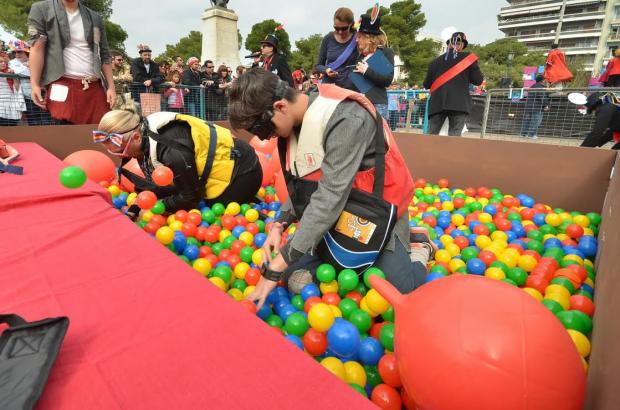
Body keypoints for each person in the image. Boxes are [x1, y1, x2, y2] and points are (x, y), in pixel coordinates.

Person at [228, 69, 431, 308]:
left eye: (261, 130)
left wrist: (276, 266)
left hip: (378, 211)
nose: (264, 137)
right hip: (339, 215)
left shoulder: (346, 118)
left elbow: (330, 195)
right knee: (295, 280)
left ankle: (418, 245)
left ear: (280, 107)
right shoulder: (293, 126)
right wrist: (278, 225)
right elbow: (303, 188)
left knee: (401, 292)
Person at [93, 109, 263, 214]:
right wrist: (139, 204)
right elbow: (165, 186)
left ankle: (247, 197)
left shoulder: (171, 152)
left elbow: (190, 198)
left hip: (243, 172)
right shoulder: (145, 133)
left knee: (208, 205)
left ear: (137, 137)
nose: (121, 156)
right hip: (222, 164)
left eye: (121, 151)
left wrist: (156, 208)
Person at [27, 0, 115, 124]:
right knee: (63, 133)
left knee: (100, 133)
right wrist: (34, 84)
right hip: (61, 82)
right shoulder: (41, 9)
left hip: (94, 86)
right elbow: (37, 47)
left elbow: (105, 55)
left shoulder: (95, 17)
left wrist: (111, 87)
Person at [423, 32, 484, 136]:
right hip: (459, 104)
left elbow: (426, 84)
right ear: (462, 45)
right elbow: (478, 80)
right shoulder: (469, 59)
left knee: (431, 137)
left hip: (437, 103)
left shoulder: (435, 62)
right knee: (454, 138)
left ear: (449, 44)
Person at [351, 13, 395, 119]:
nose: (356, 40)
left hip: (378, 104)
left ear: (368, 38)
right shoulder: (360, 56)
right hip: (359, 104)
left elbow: (387, 80)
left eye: (359, 37)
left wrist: (367, 71)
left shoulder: (386, 52)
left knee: (379, 135)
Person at [315, 7, 358, 90]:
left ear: (351, 24)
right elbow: (318, 65)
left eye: (344, 28)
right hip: (330, 87)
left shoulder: (357, 38)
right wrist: (326, 70)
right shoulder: (328, 39)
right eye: (336, 28)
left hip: (351, 89)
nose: (340, 32)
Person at [8, 40, 50, 125]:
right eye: (15, 52)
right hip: (25, 97)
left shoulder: (35, 59)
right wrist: (32, 68)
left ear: (26, 52)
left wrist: (30, 67)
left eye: (19, 52)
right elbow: (26, 72)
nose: (17, 54)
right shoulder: (12, 62)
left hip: (41, 93)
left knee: (46, 118)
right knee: (33, 120)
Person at [0, 51, 26, 126]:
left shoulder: (10, 72)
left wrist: (13, 76)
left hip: (11, 105)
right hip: (2, 104)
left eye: (5, 62)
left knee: (11, 125)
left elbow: (17, 89)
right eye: (0, 62)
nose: (3, 63)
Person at [520, 75, 550, 139]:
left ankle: (523, 134)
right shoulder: (541, 87)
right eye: (545, 79)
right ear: (542, 80)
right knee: (536, 121)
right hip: (537, 107)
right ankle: (531, 135)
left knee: (527, 121)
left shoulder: (532, 87)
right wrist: (546, 105)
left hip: (528, 107)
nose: (546, 81)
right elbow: (542, 97)